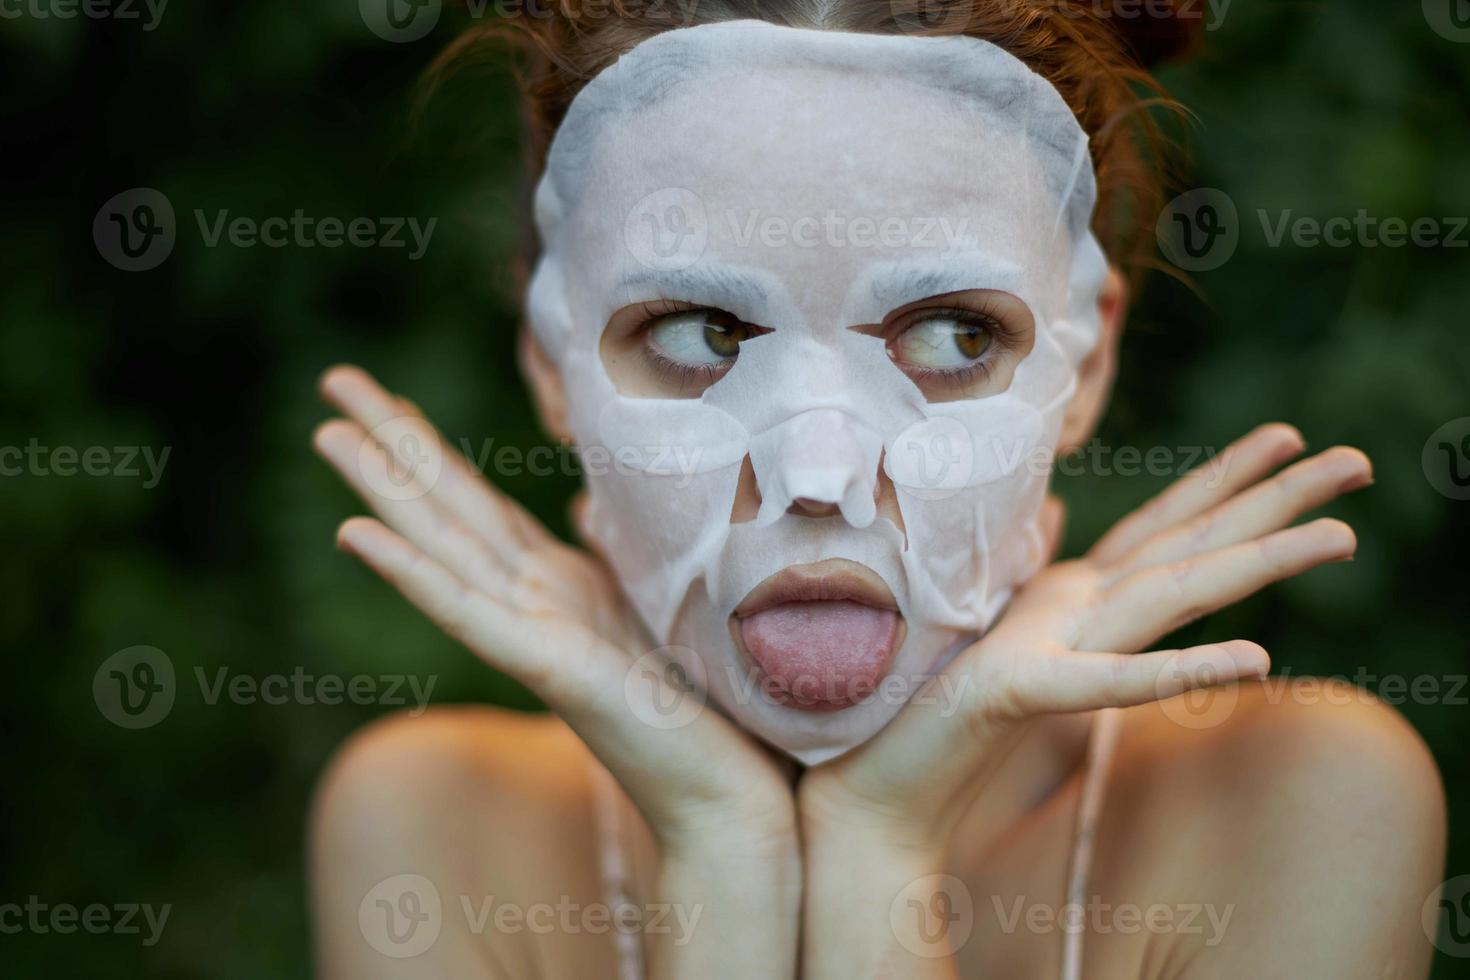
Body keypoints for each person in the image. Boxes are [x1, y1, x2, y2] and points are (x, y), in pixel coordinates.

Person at [308, 6, 1446, 978]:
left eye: (954, 335)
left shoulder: (1291, 809)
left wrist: (876, 849)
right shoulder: (432, 827)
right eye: (701, 334)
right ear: (556, 364)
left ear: (1084, 361)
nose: (819, 478)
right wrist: (720, 841)